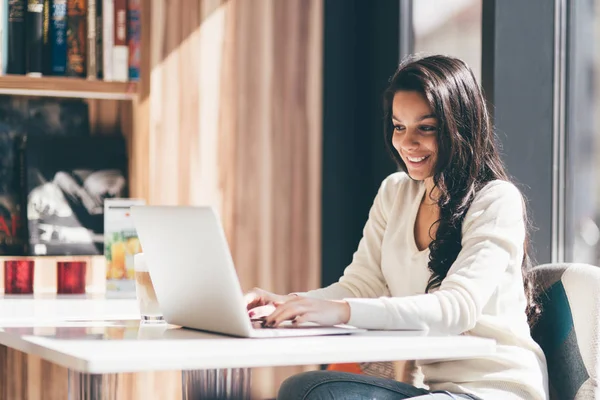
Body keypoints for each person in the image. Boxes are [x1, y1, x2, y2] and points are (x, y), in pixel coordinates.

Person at [245, 55, 549, 400]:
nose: (406, 142)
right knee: (304, 388)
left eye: (426, 127)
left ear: (459, 127)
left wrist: (340, 311)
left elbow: (457, 308)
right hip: (434, 390)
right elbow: (362, 286)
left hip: (494, 391)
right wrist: (288, 305)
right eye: (399, 126)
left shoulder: (496, 200)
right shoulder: (395, 192)